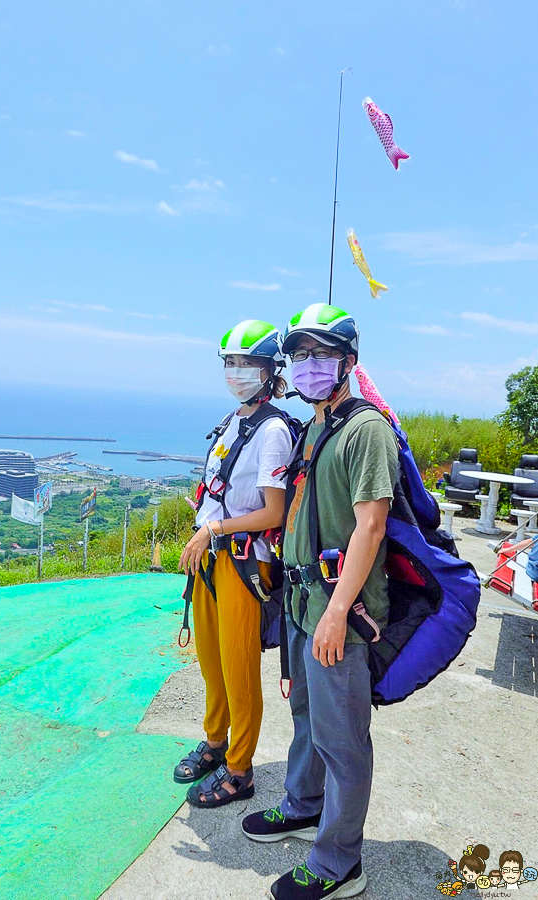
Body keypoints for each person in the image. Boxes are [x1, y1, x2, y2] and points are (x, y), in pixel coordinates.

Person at [242, 302, 399, 900]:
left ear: (349, 362)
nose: (309, 366)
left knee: (342, 739)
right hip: (306, 605)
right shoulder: (318, 426)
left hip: (342, 612)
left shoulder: (366, 430)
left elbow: (371, 528)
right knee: (307, 716)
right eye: (300, 355)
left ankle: (340, 862)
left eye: (322, 354)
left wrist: (336, 615)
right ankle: (304, 805)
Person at [174, 319, 293, 808]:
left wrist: (213, 529)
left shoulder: (274, 431)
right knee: (210, 660)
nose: (236, 372)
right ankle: (216, 740)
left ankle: (240, 768)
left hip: (243, 565)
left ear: (269, 370)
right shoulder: (233, 421)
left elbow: (273, 510)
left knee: (239, 669)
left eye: (247, 363)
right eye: (230, 363)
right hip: (210, 559)